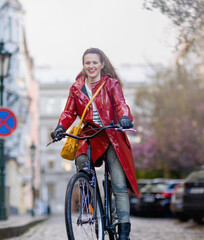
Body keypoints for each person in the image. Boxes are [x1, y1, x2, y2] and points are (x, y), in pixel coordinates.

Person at [51, 48, 138, 240]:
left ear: (101, 64)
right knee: (81, 162)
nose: (91, 66)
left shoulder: (111, 84)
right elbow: (68, 112)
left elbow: (120, 104)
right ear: (83, 65)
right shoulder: (76, 88)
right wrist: (60, 127)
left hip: (112, 134)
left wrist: (124, 117)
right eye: (87, 63)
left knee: (118, 184)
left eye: (94, 62)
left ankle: (123, 231)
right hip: (90, 135)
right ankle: (91, 196)